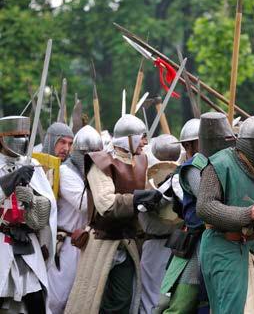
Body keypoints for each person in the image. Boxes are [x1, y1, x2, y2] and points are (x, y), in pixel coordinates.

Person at [65, 114, 163, 314]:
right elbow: (106, 205)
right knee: (91, 302)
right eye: (141, 137)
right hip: (102, 241)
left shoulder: (141, 161)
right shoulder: (101, 163)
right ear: (128, 138)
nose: (145, 142)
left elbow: (152, 187)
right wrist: (137, 199)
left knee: (122, 300)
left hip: (127, 243)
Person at [197, 115, 254, 314]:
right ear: (249, 143)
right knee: (233, 309)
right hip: (222, 247)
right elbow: (205, 207)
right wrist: (245, 214)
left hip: (252, 248)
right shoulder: (219, 164)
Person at [159, 113, 235, 313]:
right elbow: (210, 200)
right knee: (181, 305)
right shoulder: (193, 168)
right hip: (198, 242)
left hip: (224, 238)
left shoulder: (219, 164)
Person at [0, 115, 57, 313]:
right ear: (2, 138)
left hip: (28, 241)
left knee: (35, 299)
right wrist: (8, 183)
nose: (23, 140)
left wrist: (33, 200)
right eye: (17, 136)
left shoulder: (31, 164)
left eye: (26, 135)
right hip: (1, 240)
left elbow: (49, 205)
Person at [47, 125, 103, 314]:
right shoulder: (65, 172)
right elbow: (84, 204)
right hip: (67, 243)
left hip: (85, 242)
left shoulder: (81, 172)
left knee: (79, 299)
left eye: (70, 143)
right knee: (58, 299)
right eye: (62, 142)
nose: (66, 147)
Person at [139, 133, 183, 314]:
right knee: (156, 299)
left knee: (160, 300)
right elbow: (142, 207)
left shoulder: (184, 172)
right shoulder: (146, 175)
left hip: (178, 243)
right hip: (162, 243)